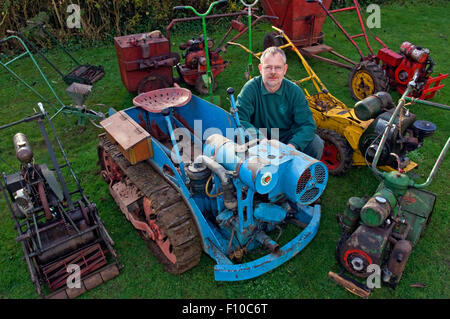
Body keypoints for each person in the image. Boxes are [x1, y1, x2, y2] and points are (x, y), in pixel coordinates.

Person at [236, 46, 324, 160]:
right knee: (236, 138)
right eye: (268, 67)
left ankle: (305, 176)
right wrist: (261, 139)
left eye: (278, 67)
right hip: (259, 139)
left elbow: (307, 125)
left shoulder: (294, 91)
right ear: (260, 68)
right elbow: (240, 119)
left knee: (316, 143)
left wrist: (292, 146)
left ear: (285, 69)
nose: (273, 72)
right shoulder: (250, 89)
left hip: (286, 139)